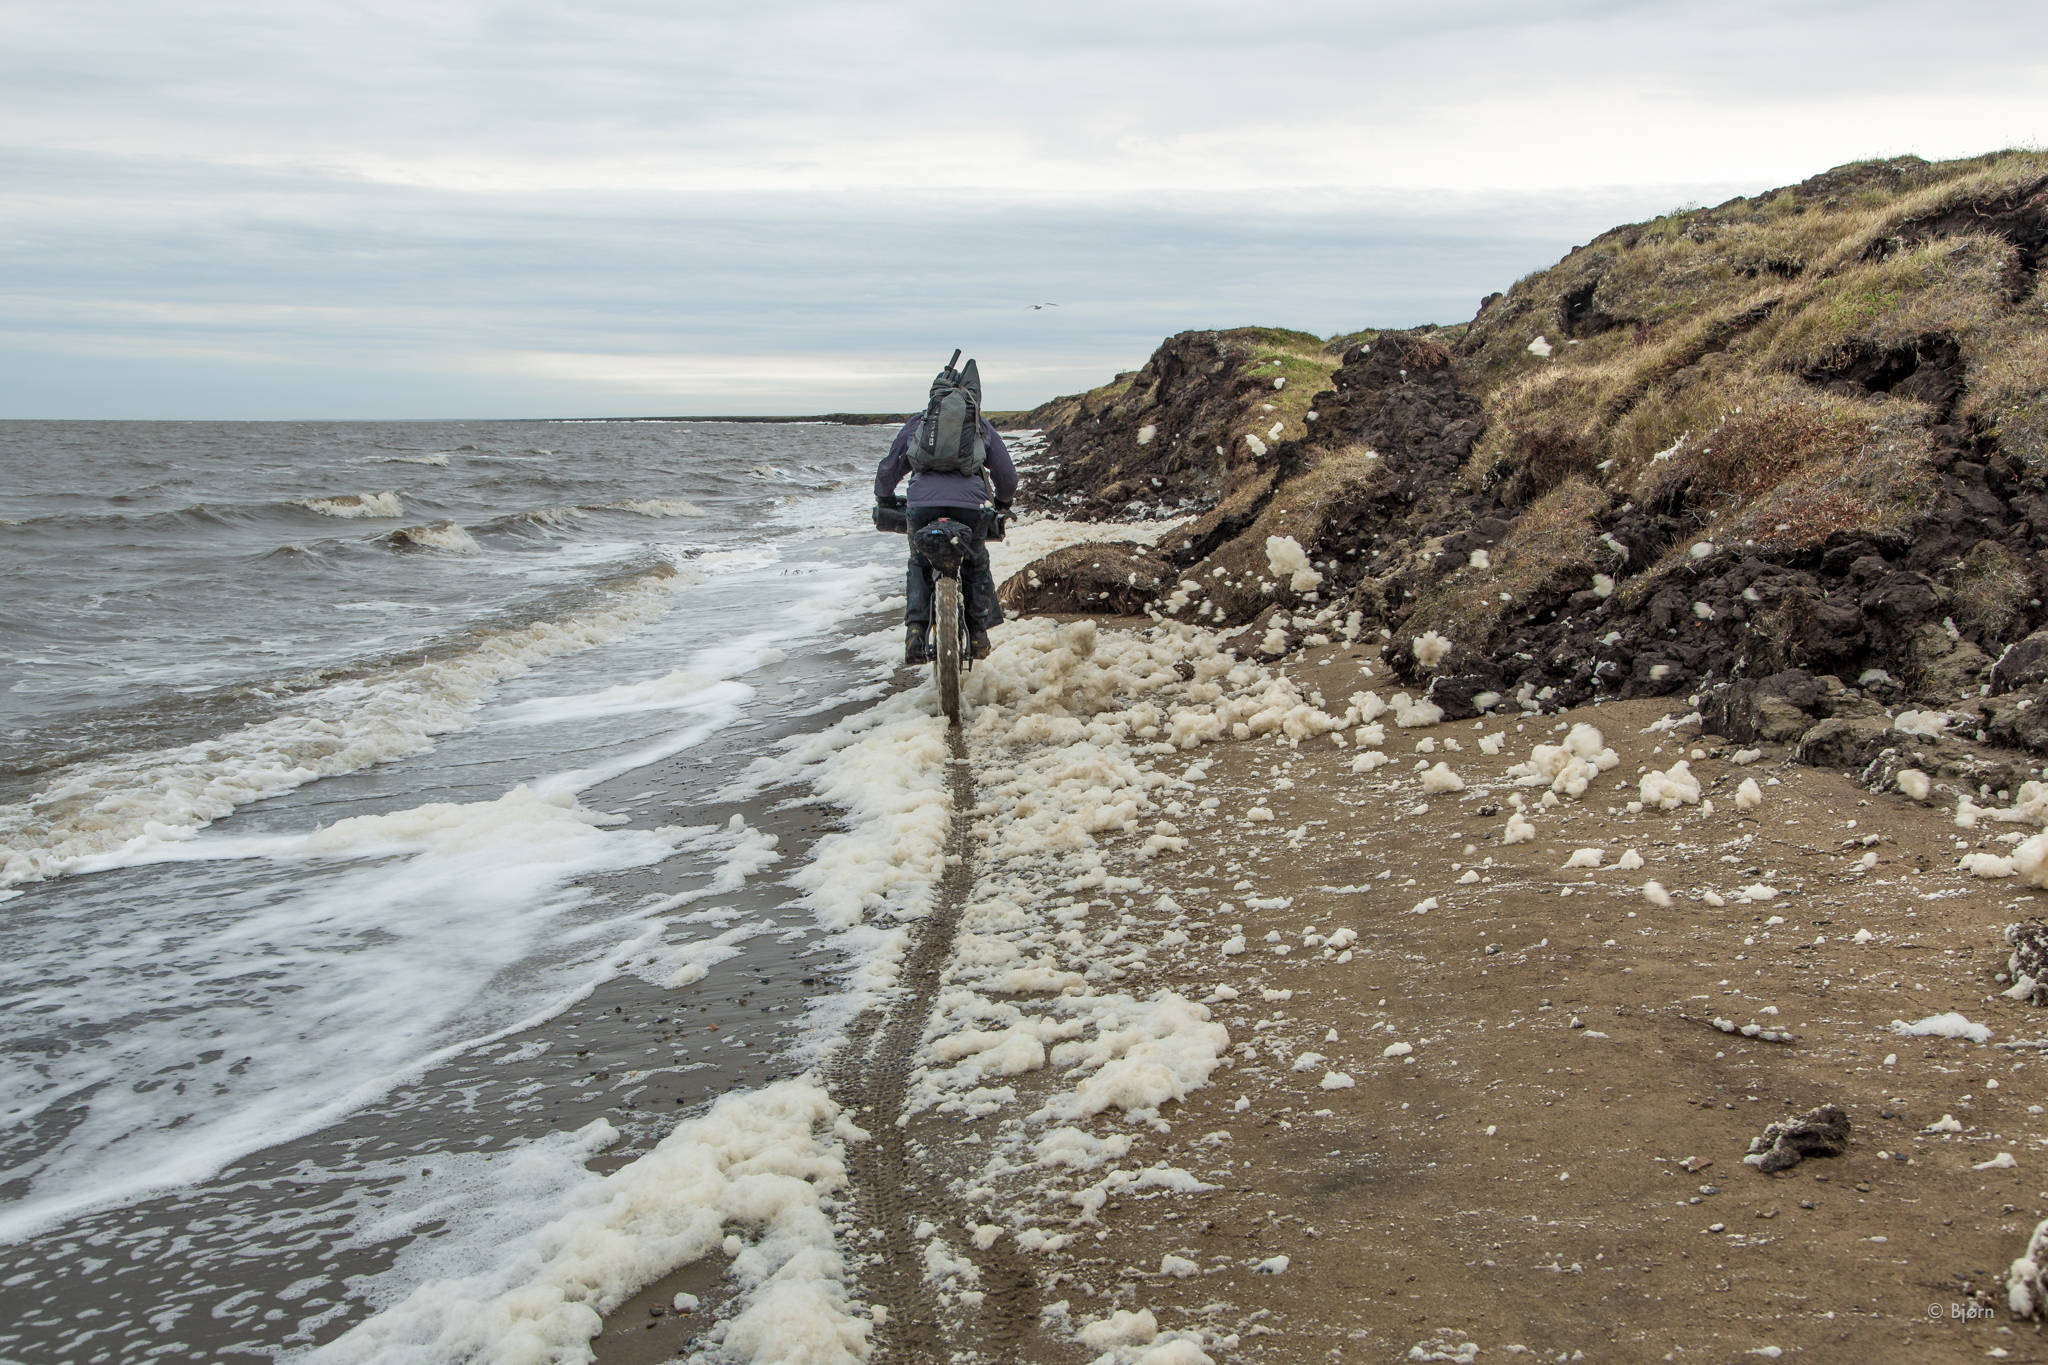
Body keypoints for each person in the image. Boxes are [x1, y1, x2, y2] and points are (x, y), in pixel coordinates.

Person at [874, 354, 1018, 664]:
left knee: (919, 563)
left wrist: (884, 498)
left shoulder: (920, 423)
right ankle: (978, 636)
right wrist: (1003, 503)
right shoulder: (979, 425)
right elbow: (1006, 475)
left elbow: (890, 467)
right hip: (972, 507)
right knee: (975, 562)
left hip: (922, 505)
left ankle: (915, 631)